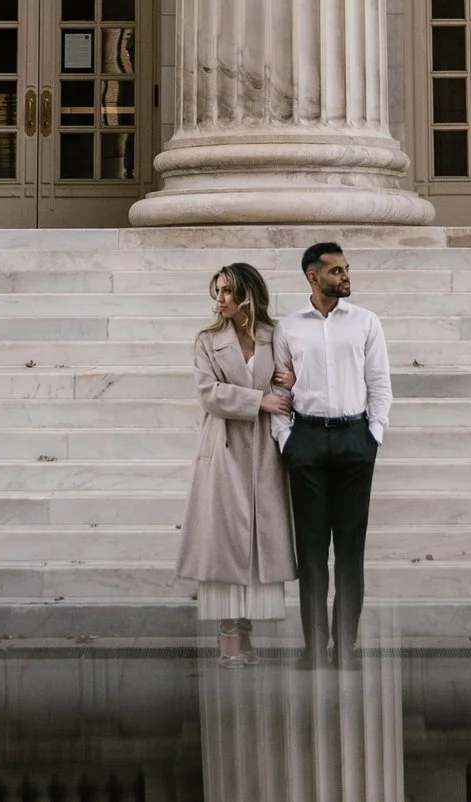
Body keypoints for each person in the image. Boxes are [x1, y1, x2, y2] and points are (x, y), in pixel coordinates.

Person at [271, 241, 390, 669]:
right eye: (336, 271)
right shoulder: (289, 328)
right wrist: (287, 441)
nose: (345, 276)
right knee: (312, 553)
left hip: (355, 441)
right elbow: (279, 390)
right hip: (307, 444)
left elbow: (379, 382)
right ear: (313, 277)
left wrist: (373, 434)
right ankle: (313, 647)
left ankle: (345, 646)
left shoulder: (365, 322)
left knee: (351, 554)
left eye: (346, 269)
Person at [176, 262, 297, 666]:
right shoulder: (208, 340)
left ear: (247, 294)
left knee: (260, 540)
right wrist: (257, 400)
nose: (220, 299)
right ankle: (228, 632)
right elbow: (208, 393)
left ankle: (248, 630)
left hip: (265, 449)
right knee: (224, 540)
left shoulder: (273, 335)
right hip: (224, 448)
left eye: (228, 291)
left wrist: (287, 388)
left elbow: (286, 382)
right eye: (218, 291)